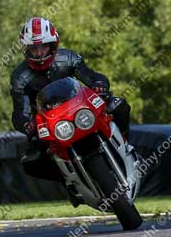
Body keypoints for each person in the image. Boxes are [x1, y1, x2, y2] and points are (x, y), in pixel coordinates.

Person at [10, 16, 132, 188]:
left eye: (43, 47)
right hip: (49, 123)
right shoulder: (19, 77)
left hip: (79, 110)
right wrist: (27, 125)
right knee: (32, 160)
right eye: (33, 48)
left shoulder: (68, 58)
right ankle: (70, 181)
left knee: (117, 104)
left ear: (52, 45)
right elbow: (19, 112)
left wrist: (99, 85)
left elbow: (91, 76)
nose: (39, 53)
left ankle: (125, 144)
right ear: (25, 49)